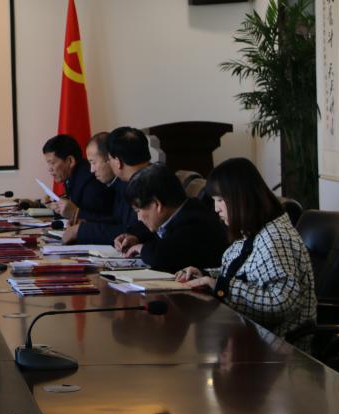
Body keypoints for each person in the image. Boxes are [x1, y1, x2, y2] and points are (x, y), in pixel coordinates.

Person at [175, 158, 316, 340]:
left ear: (240, 198)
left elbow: (281, 303)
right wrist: (205, 275)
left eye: (220, 200)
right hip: (248, 335)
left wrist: (222, 287)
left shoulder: (275, 238)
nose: (216, 209)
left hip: (277, 347)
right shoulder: (252, 231)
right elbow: (244, 274)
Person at [121, 163, 228, 272]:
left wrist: (141, 248)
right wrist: (137, 239)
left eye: (138, 211)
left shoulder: (195, 223)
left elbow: (160, 256)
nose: (138, 218)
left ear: (157, 204)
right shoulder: (184, 211)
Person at [69, 126, 153, 245]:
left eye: (109, 158)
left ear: (117, 161)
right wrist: (88, 224)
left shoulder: (148, 184)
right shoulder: (127, 182)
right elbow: (118, 221)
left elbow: (134, 230)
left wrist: (82, 231)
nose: (91, 170)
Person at [42, 134, 113, 221]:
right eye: (48, 163)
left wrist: (76, 213)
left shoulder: (91, 181)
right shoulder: (72, 176)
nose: (49, 169)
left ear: (70, 161)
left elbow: (102, 220)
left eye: (52, 163)